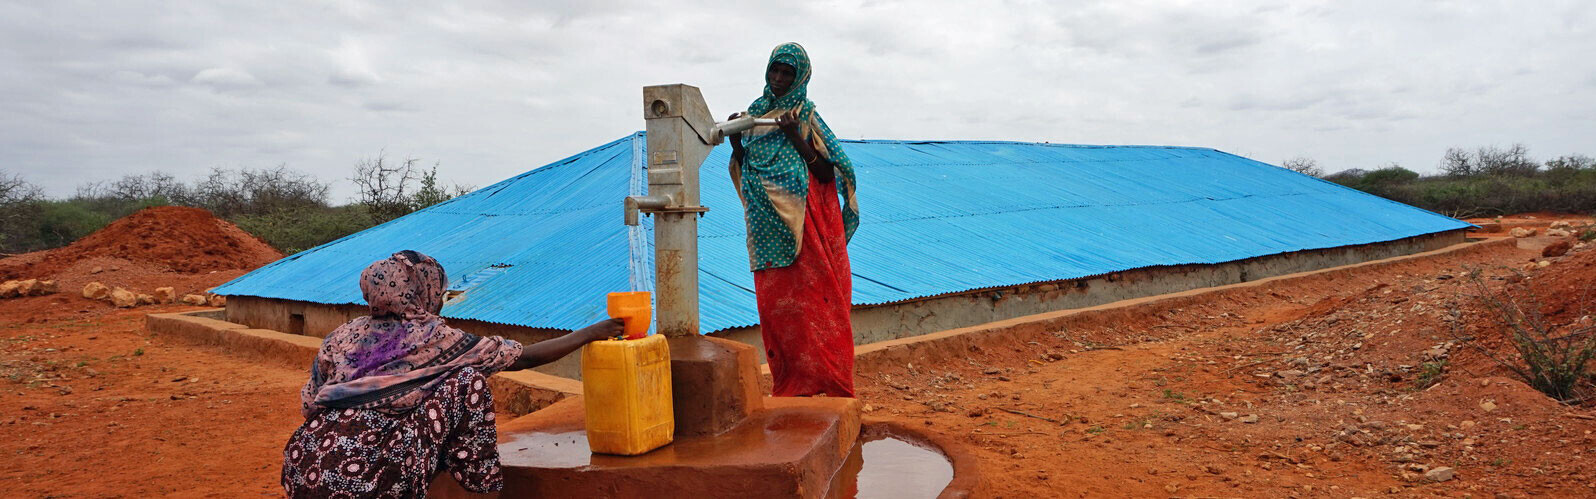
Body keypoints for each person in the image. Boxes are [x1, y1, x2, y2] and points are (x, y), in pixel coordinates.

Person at [280, 250, 622, 497]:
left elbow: (311, 403)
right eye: (438, 291)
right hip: (374, 475)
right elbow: (523, 357)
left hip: (307, 460)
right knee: (466, 380)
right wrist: (590, 333)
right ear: (422, 291)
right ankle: (480, 485)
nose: (440, 300)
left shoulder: (342, 335)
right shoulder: (432, 335)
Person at [727, 42, 860, 398]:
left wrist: (792, 135)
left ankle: (831, 384)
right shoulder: (755, 115)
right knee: (779, 312)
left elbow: (828, 172)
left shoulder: (805, 116)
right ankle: (792, 385)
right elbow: (748, 168)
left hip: (807, 230)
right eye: (775, 70)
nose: (779, 79)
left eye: (788, 72)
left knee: (819, 306)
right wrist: (737, 142)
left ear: (801, 76)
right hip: (768, 231)